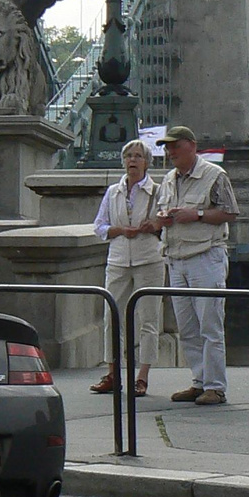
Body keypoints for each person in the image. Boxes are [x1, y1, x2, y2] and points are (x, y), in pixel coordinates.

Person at [148, 125, 239, 406]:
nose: (170, 152)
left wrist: (196, 214)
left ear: (192, 145)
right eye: (166, 147)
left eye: (175, 146)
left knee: (210, 325)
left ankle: (215, 386)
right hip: (176, 258)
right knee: (187, 327)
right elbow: (155, 223)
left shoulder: (214, 175)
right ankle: (199, 381)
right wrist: (161, 221)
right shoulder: (168, 180)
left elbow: (230, 212)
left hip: (205, 256)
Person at [90, 139, 163, 397]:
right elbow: (99, 227)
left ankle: (142, 377)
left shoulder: (157, 191)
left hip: (149, 260)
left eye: (138, 156)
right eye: (129, 156)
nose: (132, 161)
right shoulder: (113, 192)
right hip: (119, 259)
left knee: (149, 319)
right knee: (112, 317)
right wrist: (120, 230)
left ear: (146, 163)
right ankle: (113, 374)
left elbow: (166, 222)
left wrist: (153, 225)